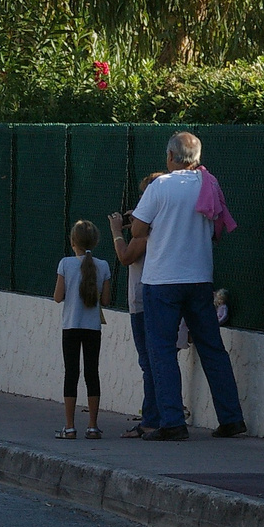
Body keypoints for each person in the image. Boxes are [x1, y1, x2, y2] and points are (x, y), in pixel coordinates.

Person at [129, 133, 246, 440]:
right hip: (199, 277)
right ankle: (231, 418)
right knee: (212, 348)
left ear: (170, 156)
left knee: (162, 351)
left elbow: (139, 228)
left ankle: (172, 422)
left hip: (162, 280)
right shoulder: (209, 184)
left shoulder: (160, 186)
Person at [108, 172, 164, 437]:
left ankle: (152, 418)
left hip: (143, 301)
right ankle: (161, 414)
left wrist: (117, 231)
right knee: (155, 360)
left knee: (148, 362)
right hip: (151, 299)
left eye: (145, 196)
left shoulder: (147, 232)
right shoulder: (162, 224)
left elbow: (126, 257)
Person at [54, 220, 112, 440]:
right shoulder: (103, 265)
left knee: (71, 373)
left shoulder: (66, 264)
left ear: (72, 241)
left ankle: (69, 427)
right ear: (95, 242)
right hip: (92, 328)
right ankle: (93, 426)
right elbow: (105, 300)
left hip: (71, 326)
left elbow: (58, 297)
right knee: (91, 373)